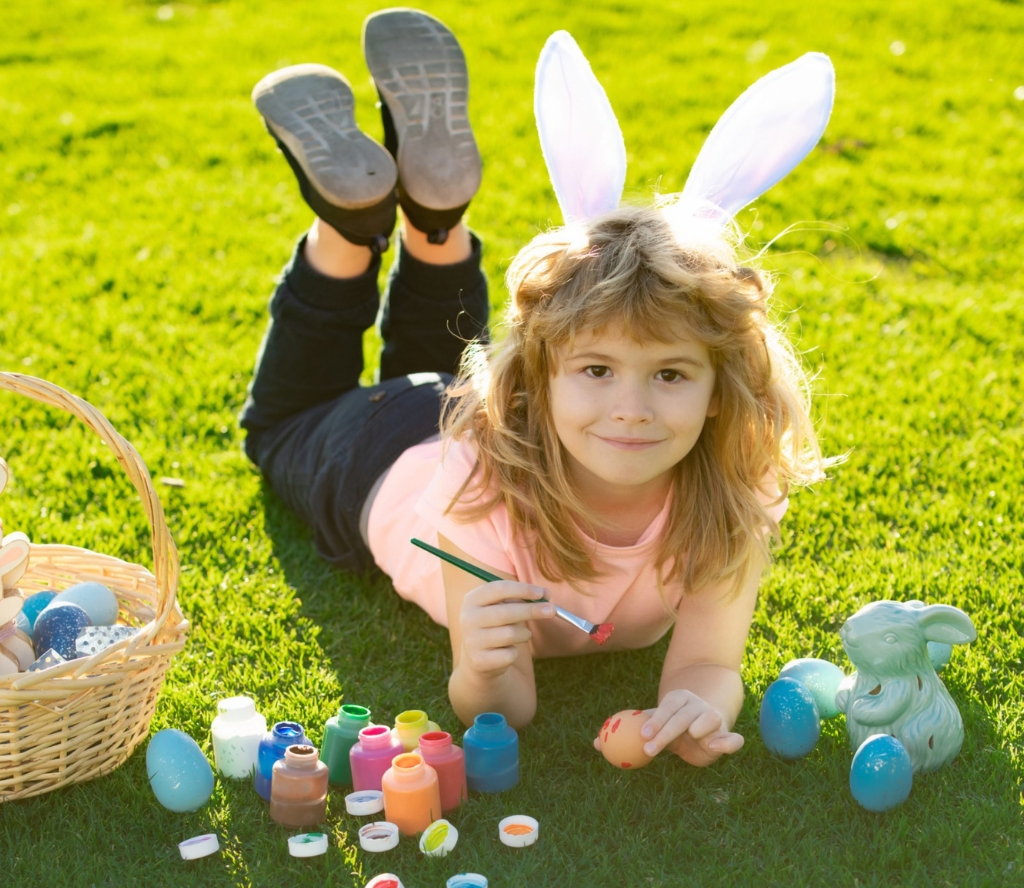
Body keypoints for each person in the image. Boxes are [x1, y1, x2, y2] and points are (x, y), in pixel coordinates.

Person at [240, 8, 828, 768]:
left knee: (435, 368)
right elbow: (501, 705)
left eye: (671, 375)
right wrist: (481, 665)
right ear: (536, 378)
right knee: (281, 425)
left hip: (458, 409)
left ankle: (435, 217)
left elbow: (711, 663)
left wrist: (697, 705)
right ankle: (349, 229)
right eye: (597, 370)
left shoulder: (735, 497)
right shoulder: (477, 493)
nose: (631, 407)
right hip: (372, 453)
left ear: (722, 388)